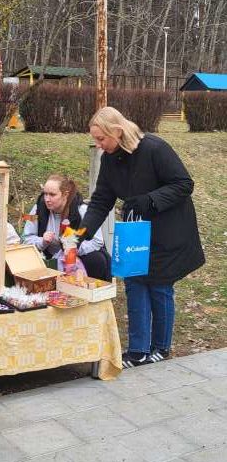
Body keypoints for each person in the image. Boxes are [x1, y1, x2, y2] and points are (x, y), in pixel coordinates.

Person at [84, 106, 205, 368]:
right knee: (134, 282)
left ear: (117, 131)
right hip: (136, 232)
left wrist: (150, 200)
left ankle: (161, 347)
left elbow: (184, 184)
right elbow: (101, 199)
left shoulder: (154, 148)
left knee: (159, 286)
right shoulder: (109, 159)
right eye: (96, 139)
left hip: (169, 229)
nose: (98, 144)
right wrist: (82, 232)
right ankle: (138, 350)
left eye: (101, 138)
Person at [23, 173, 111, 281]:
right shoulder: (37, 209)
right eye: (45, 194)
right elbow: (26, 238)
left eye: (52, 195)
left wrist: (74, 249)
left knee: (96, 259)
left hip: (79, 258)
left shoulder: (82, 210)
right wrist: (42, 242)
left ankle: (89, 287)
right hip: (49, 258)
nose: (47, 199)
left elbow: (98, 241)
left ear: (65, 194)